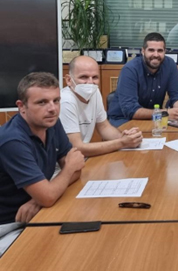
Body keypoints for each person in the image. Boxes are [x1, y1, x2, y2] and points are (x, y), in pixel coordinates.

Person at [0, 72, 85, 256]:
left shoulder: (51, 123)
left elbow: (77, 169)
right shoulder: (12, 141)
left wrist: (37, 199)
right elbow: (70, 169)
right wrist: (46, 193)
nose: (52, 109)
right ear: (21, 107)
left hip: (38, 212)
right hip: (8, 225)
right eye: (42, 102)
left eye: (56, 100)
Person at [60, 56, 143, 156]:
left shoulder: (94, 92)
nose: (90, 82)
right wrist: (122, 142)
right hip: (65, 162)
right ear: (69, 80)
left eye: (95, 77)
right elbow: (76, 147)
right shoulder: (65, 101)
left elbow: (104, 127)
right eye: (84, 77)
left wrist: (125, 137)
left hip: (81, 158)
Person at [107, 32, 178, 127]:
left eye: (160, 51)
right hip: (123, 120)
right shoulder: (130, 69)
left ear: (165, 51)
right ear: (143, 51)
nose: (156, 55)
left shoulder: (169, 65)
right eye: (151, 50)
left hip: (153, 119)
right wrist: (165, 113)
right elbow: (130, 111)